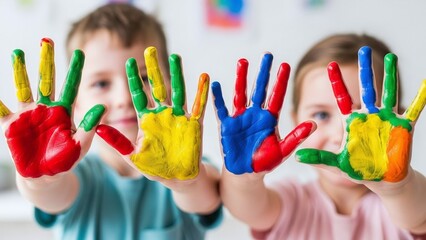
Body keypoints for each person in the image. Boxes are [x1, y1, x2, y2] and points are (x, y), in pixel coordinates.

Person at [0, 3, 221, 240]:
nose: (124, 98)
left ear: (168, 84)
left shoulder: (189, 164)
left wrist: (187, 183)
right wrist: (40, 181)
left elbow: (205, 200)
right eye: (101, 84)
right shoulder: (79, 175)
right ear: (76, 101)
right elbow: (52, 194)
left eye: (144, 78)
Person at [214, 33, 426, 239]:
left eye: (364, 118)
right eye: (322, 114)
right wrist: (244, 179)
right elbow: (247, 208)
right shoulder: (292, 201)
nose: (340, 134)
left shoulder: (402, 207)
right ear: (296, 119)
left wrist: (398, 188)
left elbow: (418, 213)